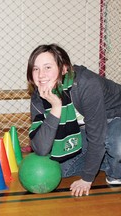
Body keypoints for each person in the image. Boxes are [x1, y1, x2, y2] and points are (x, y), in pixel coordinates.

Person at [27, 43, 121, 197]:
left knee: (117, 146)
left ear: (64, 69)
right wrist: (56, 107)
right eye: (35, 68)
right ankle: (104, 158)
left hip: (115, 116)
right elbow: (41, 148)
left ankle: (116, 173)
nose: (41, 74)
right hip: (85, 127)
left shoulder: (86, 84)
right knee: (62, 170)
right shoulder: (39, 96)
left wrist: (87, 178)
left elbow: (97, 135)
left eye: (47, 67)